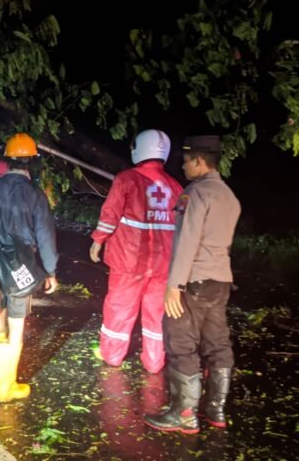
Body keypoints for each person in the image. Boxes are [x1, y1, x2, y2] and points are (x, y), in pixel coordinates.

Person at [144, 135, 241, 434]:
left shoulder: (195, 194)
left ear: (198, 161)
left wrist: (175, 285)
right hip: (221, 282)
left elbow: (188, 241)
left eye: (186, 161)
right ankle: (216, 410)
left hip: (193, 282)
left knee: (181, 344)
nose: (183, 167)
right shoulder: (228, 196)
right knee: (217, 345)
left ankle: (183, 414)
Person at [0, 132, 59, 403]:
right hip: (21, 262)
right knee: (17, 322)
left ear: (7, 159)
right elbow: (45, 235)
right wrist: (51, 271)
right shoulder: (35, 194)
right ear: (31, 162)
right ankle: (6, 388)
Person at [89, 129, 182, 374]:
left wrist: (98, 240)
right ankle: (154, 362)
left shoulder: (127, 179)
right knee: (156, 314)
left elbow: (111, 213)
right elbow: (183, 226)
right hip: (163, 264)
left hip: (129, 261)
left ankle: (112, 356)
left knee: (120, 308)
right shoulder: (176, 187)